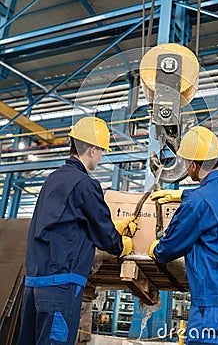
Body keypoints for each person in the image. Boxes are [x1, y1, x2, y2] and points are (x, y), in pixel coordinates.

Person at [18, 116, 136, 345]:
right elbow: (104, 233)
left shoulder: (53, 179)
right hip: (60, 286)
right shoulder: (85, 184)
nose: (101, 156)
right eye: (101, 150)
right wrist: (122, 244)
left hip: (34, 285)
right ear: (92, 150)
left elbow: (69, 223)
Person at [149, 126, 218, 345]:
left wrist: (156, 249)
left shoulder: (197, 204)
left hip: (213, 315)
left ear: (194, 165)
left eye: (187, 163)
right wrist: (182, 194)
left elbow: (170, 248)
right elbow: (215, 200)